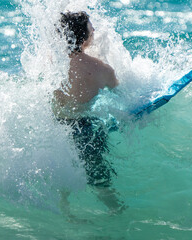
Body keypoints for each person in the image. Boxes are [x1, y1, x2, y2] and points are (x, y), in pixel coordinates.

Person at [53, 11, 125, 216]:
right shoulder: (102, 69)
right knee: (100, 179)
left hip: (54, 126)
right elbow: (121, 94)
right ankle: (117, 213)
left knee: (63, 173)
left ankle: (66, 215)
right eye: (90, 28)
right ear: (84, 36)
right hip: (83, 129)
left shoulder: (53, 63)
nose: (94, 30)